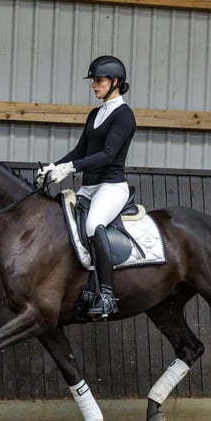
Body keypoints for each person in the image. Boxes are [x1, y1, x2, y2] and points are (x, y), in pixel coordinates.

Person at [37, 55, 136, 318]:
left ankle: (106, 296)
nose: (94, 85)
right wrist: (52, 167)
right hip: (89, 187)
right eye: (93, 80)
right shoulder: (96, 113)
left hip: (111, 187)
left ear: (115, 81)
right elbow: (81, 149)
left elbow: (107, 154)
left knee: (93, 226)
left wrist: (70, 169)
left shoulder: (124, 116)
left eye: (99, 80)